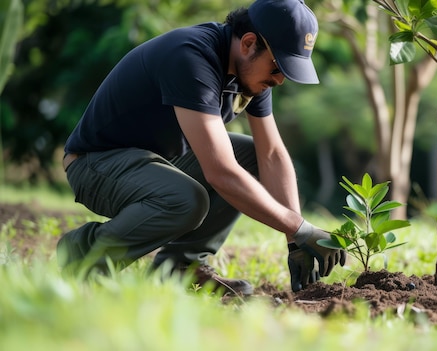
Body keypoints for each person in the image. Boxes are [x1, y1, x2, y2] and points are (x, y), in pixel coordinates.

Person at [56, 0, 346, 295]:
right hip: (95, 164)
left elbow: (271, 154)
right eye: (278, 65)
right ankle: (84, 254)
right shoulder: (191, 57)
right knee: (187, 198)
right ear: (248, 43)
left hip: (160, 162)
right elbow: (220, 172)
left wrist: (294, 239)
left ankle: (181, 269)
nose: (280, 79)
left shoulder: (252, 73)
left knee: (249, 156)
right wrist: (301, 227)